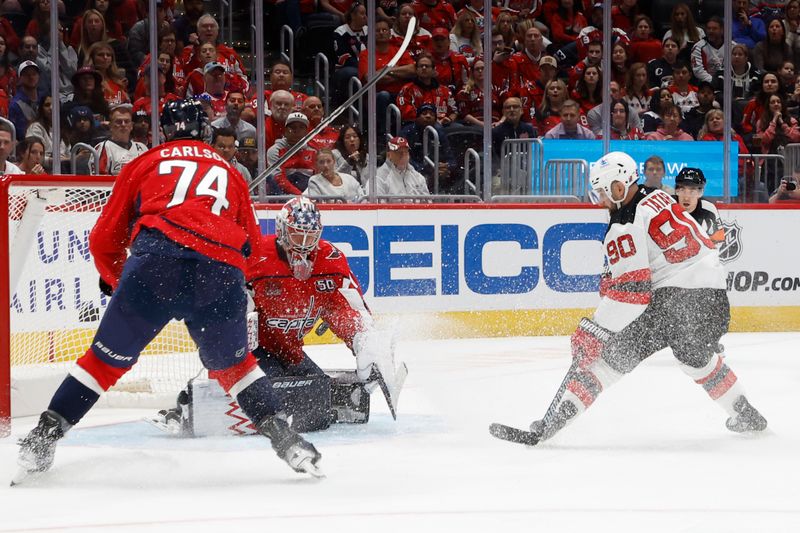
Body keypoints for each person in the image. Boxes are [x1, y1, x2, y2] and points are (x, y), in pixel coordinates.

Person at [14, 99, 323, 483]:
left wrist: (118, 280)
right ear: (207, 132)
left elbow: (103, 240)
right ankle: (287, 438)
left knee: (103, 362)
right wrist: (222, 285)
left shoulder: (145, 162)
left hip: (156, 264)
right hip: (219, 269)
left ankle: (43, 437)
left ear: (165, 132)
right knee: (236, 367)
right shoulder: (231, 172)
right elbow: (248, 247)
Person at [508, 151, 767, 445]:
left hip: (673, 300)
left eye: (603, 193)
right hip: (714, 294)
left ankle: (555, 421)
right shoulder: (656, 196)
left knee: (607, 361)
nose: (601, 201)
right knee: (695, 358)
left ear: (619, 187)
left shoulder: (623, 222)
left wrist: (595, 329)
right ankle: (743, 410)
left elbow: (634, 293)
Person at [149, 197, 406, 436]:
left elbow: (347, 310)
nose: (304, 246)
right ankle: (187, 405)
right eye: (297, 235)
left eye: (311, 237)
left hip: (290, 350)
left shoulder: (330, 261)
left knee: (317, 391)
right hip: (254, 351)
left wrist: (365, 342)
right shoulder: (255, 255)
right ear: (283, 231)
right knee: (269, 396)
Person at [91, 104, 148, 176]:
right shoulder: (104, 148)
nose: (123, 125)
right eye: (119, 122)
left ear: (131, 126)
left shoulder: (142, 148)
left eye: (127, 121)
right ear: (110, 126)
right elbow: (99, 181)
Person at [672, 167, 725, 243]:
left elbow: (718, 242)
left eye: (692, 192)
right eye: (682, 190)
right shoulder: (667, 204)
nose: (686, 197)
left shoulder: (709, 210)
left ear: (700, 193)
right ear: (676, 190)